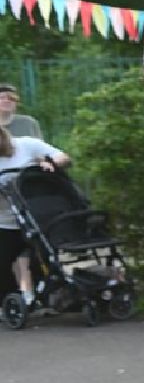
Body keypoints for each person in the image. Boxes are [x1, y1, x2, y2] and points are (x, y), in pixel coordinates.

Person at [0, 127, 69, 306]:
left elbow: (62, 156)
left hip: (38, 218)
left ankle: (47, 297)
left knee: (44, 259)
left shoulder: (26, 145)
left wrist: (49, 163)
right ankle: (10, 302)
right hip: (6, 221)